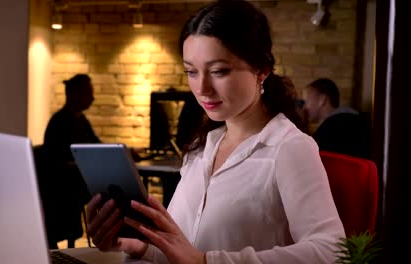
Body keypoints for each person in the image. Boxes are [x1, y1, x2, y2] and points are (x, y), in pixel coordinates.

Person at [86, 1, 345, 263]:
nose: (202, 88)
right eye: (191, 71)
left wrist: (206, 261)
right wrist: (139, 246)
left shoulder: (289, 148)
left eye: (219, 71)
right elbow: (183, 253)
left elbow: (330, 251)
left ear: (262, 70)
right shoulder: (202, 148)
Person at [39, 74, 100, 249]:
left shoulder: (81, 120)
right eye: (88, 93)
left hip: (75, 182)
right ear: (74, 94)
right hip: (60, 187)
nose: (92, 97)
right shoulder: (59, 122)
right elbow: (54, 162)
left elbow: (96, 145)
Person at [303, 78, 371, 159]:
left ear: (322, 100)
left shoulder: (331, 129)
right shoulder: (354, 120)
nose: (304, 107)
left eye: (305, 101)